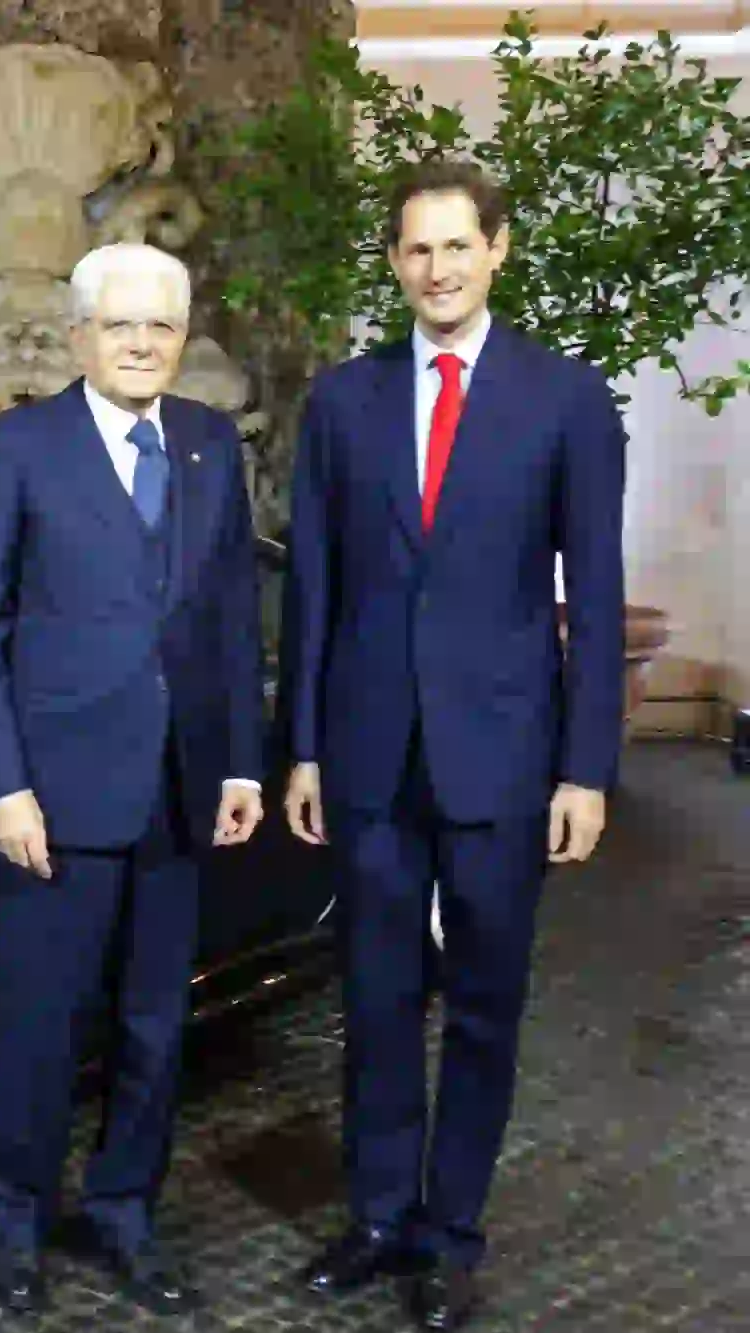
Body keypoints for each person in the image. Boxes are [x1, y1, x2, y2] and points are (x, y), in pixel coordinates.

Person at [281, 159, 625, 1330]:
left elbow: (595, 581)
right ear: (393, 264)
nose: (436, 269)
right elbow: (312, 595)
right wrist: (303, 752)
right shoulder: (340, 402)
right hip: (368, 756)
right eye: (415, 250)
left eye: (455, 246)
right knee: (375, 1000)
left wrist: (585, 766)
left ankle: (451, 1234)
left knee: (482, 1005)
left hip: (505, 757)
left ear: (497, 250)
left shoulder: (566, 400)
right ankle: (378, 1217)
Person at [0, 242, 266, 1317]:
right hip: (52, 802)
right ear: (77, 335)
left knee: (153, 1029)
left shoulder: (213, 448)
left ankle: (125, 1214)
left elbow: (226, 621)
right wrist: (1, 786)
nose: (140, 343)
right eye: (120, 325)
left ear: (182, 337)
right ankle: (13, 1228)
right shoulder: (15, 448)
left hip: (178, 794)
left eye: (160, 326)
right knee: (37, 1030)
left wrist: (238, 768)